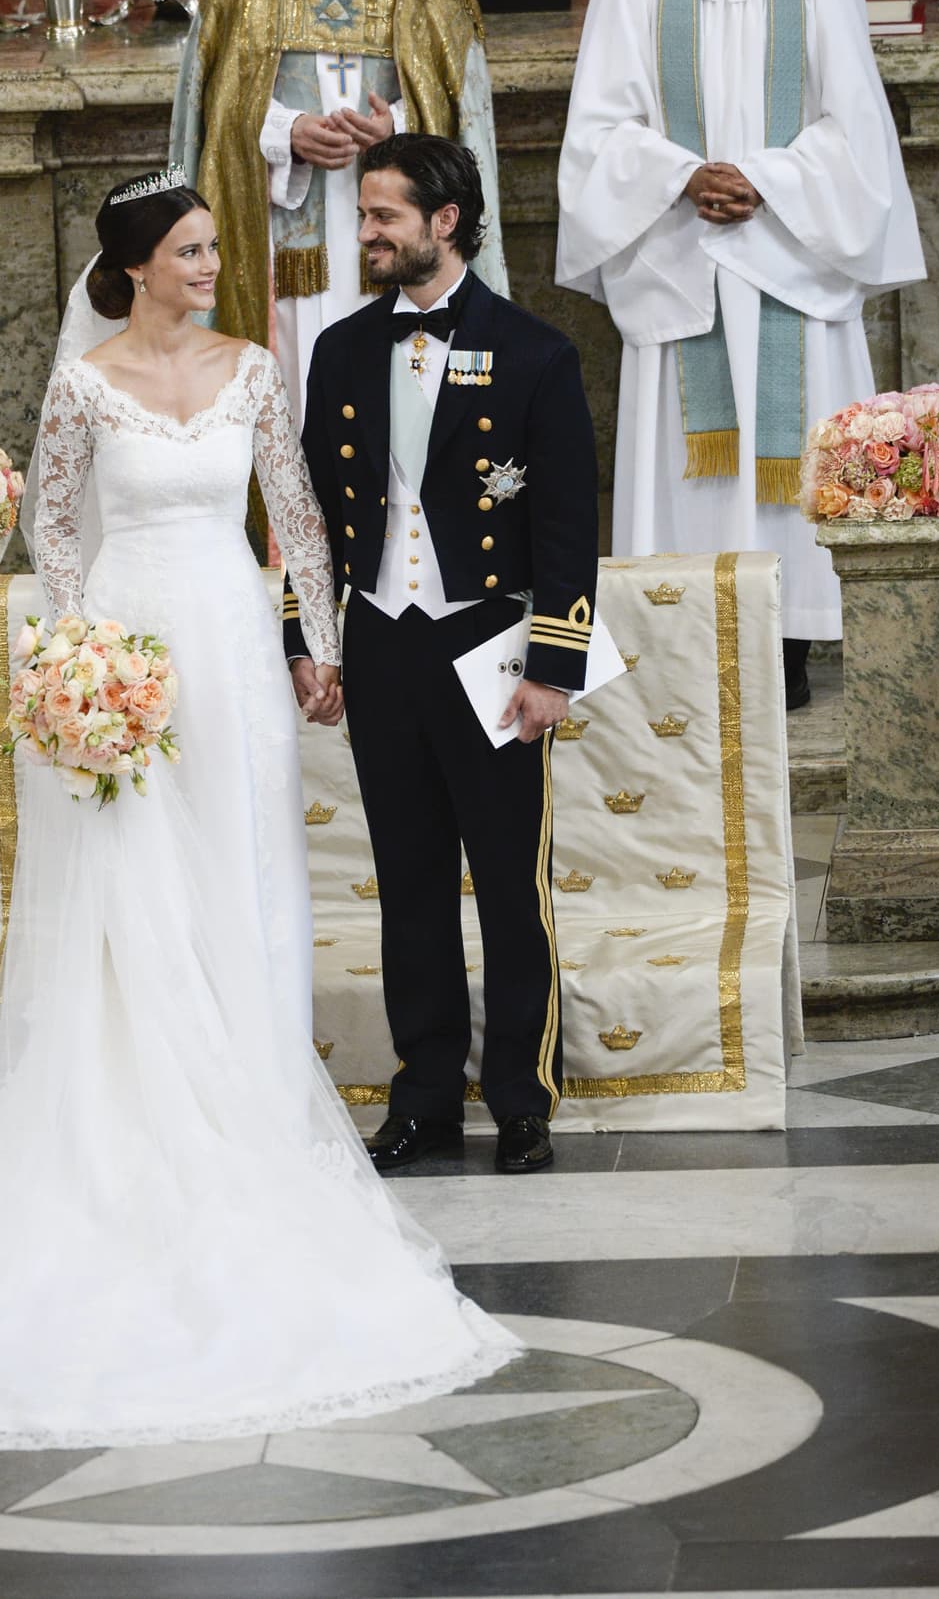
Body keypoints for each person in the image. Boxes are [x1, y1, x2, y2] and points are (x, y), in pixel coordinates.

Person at [0, 173, 519, 1451]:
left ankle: (256, 1112)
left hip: (232, 657)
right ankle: (145, 1135)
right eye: (192, 249)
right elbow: (55, 539)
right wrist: (81, 675)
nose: (212, 265)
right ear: (140, 261)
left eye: (214, 247)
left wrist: (313, 648)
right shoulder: (84, 382)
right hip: (130, 666)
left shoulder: (256, 369)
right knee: (137, 888)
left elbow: (300, 522)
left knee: (242, 878)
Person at [555, 0, 925, 709]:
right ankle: (676, 645)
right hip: (681, 252)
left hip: (789, 255)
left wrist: (765, 180)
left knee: (792, 465)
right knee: (686, 464)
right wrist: (682, 177)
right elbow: (598, 130)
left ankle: (790, 648)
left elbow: (857, 133)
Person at [286, 134, 599, 1175]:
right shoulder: (337, 348)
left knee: (508, 884)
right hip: (382, 644)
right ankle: (422, 1094)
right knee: (407, 879)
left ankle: (519, 1095)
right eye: (364, 214)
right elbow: (308, 524)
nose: (365, 233)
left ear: (444, 221)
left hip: (491, 650)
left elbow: (563, 531)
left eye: (382, 216)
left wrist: (554, 669)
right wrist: (309, 644)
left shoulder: (536, 352)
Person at [168, 0, 508, 417]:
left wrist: (398, 132)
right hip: (289, 240)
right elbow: (208, 106)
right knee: (296, 402)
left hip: (401, 235)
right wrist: (285, 132)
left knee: (401, 410)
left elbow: (462, 104)